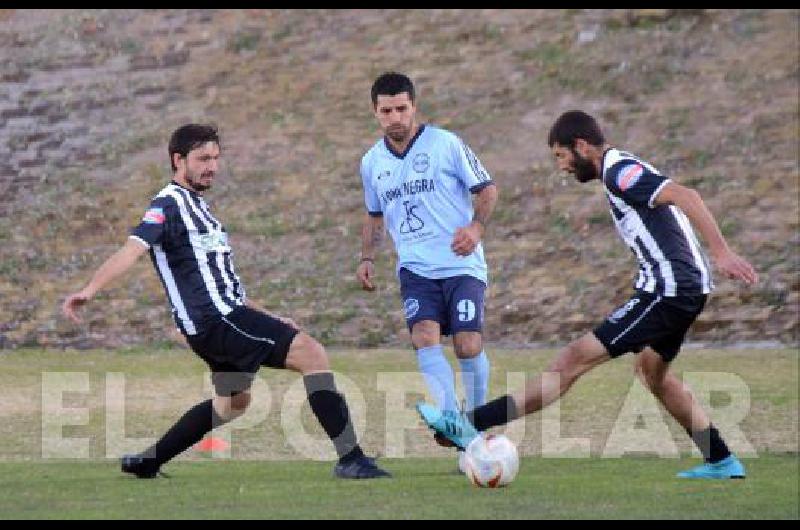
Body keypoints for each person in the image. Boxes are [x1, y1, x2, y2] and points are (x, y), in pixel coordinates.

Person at [417, 110, 758, 479]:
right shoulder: (618, 169)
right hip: (678, 287)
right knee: (652, 373)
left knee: (571, 361)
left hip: (669, 290)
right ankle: (721, 459)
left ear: (581, 146)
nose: (562, 167)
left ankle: (468, 424)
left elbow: (685, 196)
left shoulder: (619, 171)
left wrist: (721, 251)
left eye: (561, 156)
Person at [63, 124, 390, 480]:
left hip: (225, 318)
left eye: (216, 158)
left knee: (234, 403)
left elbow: (226, 286)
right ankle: (351, 459)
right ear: (178, 160)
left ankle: (149, 462)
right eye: (203, 158)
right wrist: (90, 290)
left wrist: (270, 316)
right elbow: (132, 249)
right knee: (312, 354)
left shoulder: (201, 210)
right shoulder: (168, 204)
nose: (212, 166)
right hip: (216, 322)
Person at [357, 72, 499, 469]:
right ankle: (455, 423)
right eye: (386, 111)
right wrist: (367, 257)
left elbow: (487, 189)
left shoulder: (446, 144)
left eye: (402, 108)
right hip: (416, 269)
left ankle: (479, 421)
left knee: (468, 344)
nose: (395, 117)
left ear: (414, 106)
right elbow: (373, 215)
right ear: (375, 113)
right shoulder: (372, 163)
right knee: (424, 336)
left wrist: (475, 228)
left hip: (461, 264)